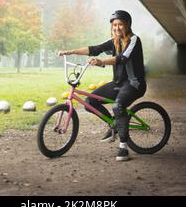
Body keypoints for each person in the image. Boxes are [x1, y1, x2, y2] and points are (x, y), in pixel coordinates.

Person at [58, 10, 146, 162]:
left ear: (127, 25)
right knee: (90, 102)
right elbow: (94, 49)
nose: (117, 28)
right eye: (114, 25)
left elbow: (123, 58)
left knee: (118, 107)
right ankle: (114, 125)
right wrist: (69, 52)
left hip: (134, 84)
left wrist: (101, 62)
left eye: (120, 25)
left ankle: (123, 147)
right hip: (118, 83)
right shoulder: (114, 41)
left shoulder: (134, 40)